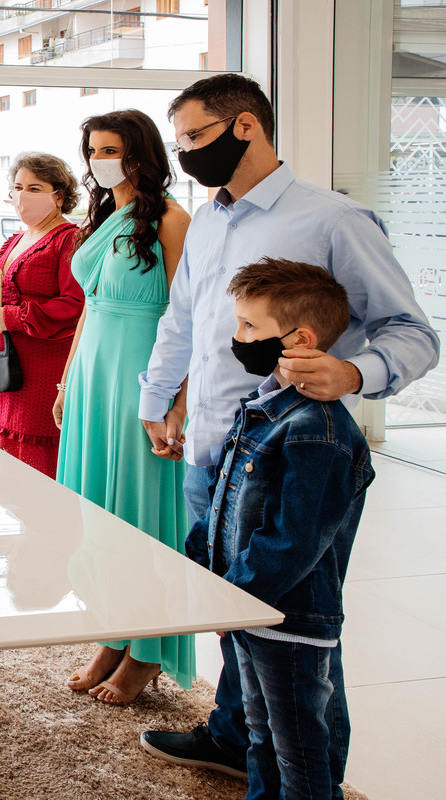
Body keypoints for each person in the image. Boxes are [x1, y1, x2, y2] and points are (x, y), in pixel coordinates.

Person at [138, 74, 439, 789]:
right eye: (179, 142)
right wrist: (159, 396)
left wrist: (354, 372)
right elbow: (185, 319)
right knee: (234, 613)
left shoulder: (335, 220)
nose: (186, 154)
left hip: (287, 457)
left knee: (295, 630)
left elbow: (413, 333)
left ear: (246, 126)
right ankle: (232, 733)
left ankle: (310, 778)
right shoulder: (205, 220)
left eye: (196, 137)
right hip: (212, 449)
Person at [194, 258, 373, 799]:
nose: (237, 337)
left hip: (288, 619)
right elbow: (224, 503)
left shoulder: (318, 432)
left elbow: (292, 543)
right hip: (252, 608)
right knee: (261, 735)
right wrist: (207, 578)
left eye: (250, 326)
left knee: (298, 749)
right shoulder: (263, 405)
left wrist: (233, 599)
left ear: (300, 340)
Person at [54, 110, 194, 705]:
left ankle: (147, 649)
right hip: (93, 375)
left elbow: (188, 317)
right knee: (96, 517)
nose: (98, 160)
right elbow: (89, 307)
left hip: (140, 376)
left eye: (109, 149)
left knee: (139, 519)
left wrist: (176, 402)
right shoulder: (105, 215)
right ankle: (114, 632)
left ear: (140, 154)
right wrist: (67, 380)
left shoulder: (173, 219)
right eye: (92, 150)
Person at [0, 153, 84, 478]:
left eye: (34, 188)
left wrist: (16, 316)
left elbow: (76, 305)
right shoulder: (15, 239)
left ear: (59, 195)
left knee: (34, 470)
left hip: (39, 371)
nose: (22, 196)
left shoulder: (68, 239)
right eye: (18, 187)